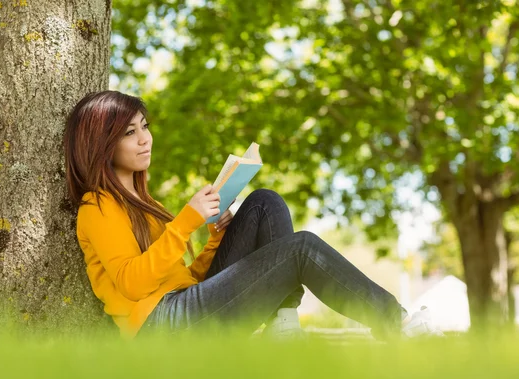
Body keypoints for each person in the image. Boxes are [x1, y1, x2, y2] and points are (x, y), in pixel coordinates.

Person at [63, 90, 440, 341]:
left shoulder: (147, 203)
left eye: (144, 126)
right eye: (130, 132)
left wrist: (213, 240)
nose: (145, 138)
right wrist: (187, 222)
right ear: (102, 145)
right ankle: (399, 324)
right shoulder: (97, 207)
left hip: (184, 305)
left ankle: (283, 323)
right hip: (161, 328)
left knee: (264, 202)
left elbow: (183, 278)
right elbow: (132, 284)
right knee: (302, 248)